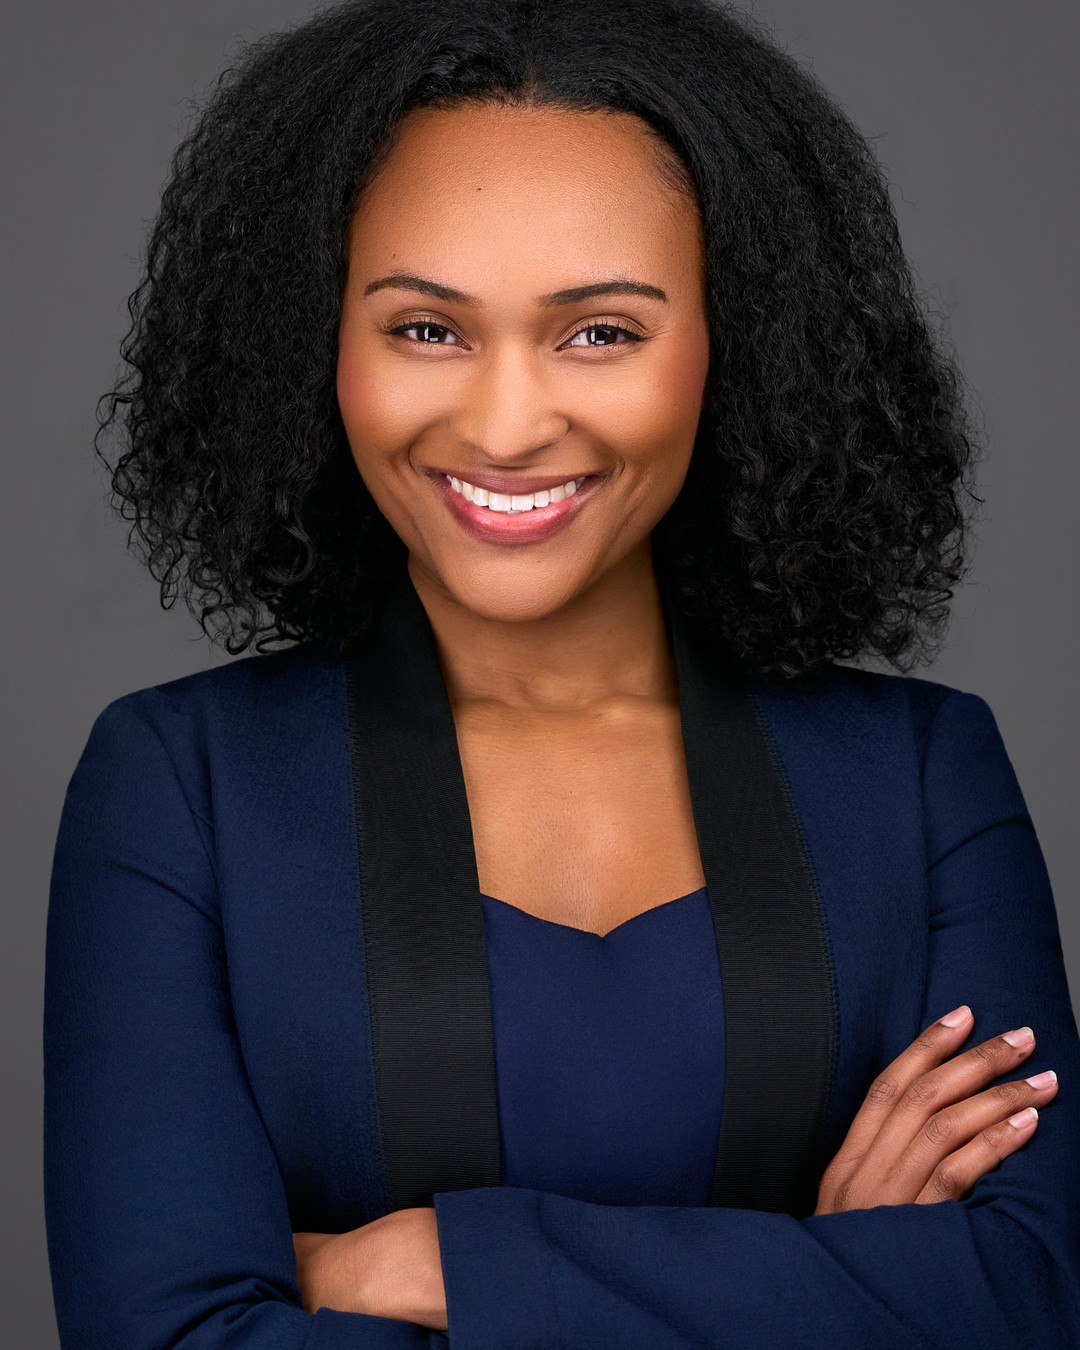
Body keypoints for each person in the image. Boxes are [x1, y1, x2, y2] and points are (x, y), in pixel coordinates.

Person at [43, 0, 1080, 1345]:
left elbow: (1031, 1299)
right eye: (427, 329)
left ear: (733, 343)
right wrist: (830, 1280)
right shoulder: (181, 789)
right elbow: (172, 1335)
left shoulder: (923, 776)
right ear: (319, 342)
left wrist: (444, 1266)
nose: (507, 423)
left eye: (600, 332)